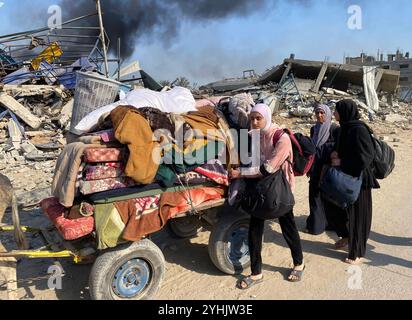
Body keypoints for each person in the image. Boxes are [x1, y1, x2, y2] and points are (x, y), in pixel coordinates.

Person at [230, 103, 305, 289]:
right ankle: (256, 273)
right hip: (260, 189)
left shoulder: (282, 138)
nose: (254, 122)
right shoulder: (254, 135)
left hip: (280, 189)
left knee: (288, 227)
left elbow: (268, 168)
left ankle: (299, 263)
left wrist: (241, 174)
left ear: (267, 117)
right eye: (252, 118)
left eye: (258, 118)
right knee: (254, 230)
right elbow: (252, 160)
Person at [330, 99, 379, 264]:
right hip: (347, 177)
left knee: (359, 216)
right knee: (337, 207)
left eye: (336, 110)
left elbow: (366, 157)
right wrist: (335, 153)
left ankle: (357, 252)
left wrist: (342, 162)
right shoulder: (344, 128)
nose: (334, 113)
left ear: (344, 111)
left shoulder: (359, 129)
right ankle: (347, 237)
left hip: (361, 179)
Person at [305, 104, 340, 235]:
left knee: (328, 198)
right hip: (315, 168)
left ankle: (330, 223)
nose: (319, 115)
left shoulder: (334, 129)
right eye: (317, 112)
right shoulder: (314, 129)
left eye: (322, 113)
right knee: (314, 197)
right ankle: (316, 226)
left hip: (328, 170)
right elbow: (311, 149)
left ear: (328, 114)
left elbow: (337, 150)